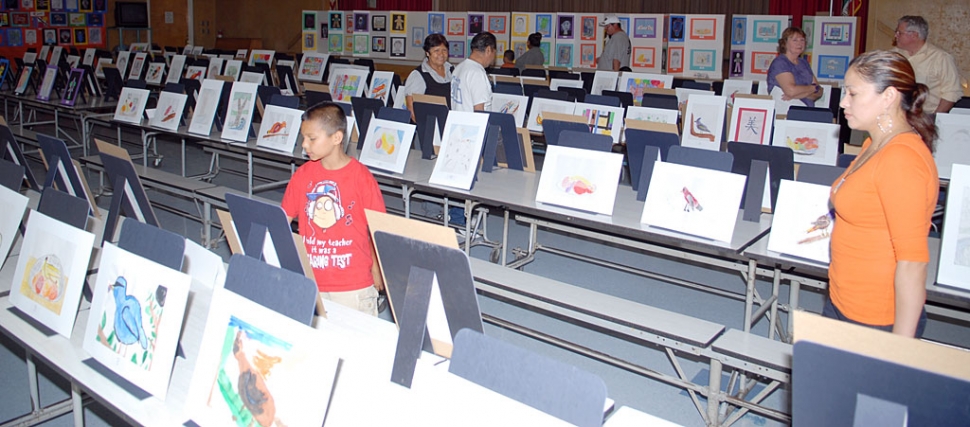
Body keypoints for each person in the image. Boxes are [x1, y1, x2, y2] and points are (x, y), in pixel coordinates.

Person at [828, 50, 938, 338]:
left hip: (875, 315)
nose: (843, 103)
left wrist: (898, 351)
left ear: (888, 97)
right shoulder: (874, 144)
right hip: (845, 300)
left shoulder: (901, 159)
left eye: (853, 94)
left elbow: (913, 263)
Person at [282, 102, 387, 316]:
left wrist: (377, 268)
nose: (304, 144)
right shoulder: (302, 175)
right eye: (304, 138)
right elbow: (282, 219)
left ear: (336, 138)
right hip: (311, 279)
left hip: (353, 285)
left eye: (312, 139)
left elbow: (378, 230)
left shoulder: (362, 178)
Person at [892, 16, 963, 114]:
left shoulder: (940, 58)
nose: (896, 35)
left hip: (924, 119)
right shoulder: (893, 55)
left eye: (899, 32)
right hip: (896, 118)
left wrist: (934, 119)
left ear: (914, 35)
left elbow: (951, 92)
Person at [766, 27, 822, 107]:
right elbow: (791, 91)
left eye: (802, 40)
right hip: (787, 112)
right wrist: (812, 89)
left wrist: (798, 94)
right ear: (784, 43)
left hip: (807, 109)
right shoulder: (780, 63)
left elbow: (820, 91)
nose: (799, 44)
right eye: (795, 40)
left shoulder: (804, 63)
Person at [401, 34, 453, 118]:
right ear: (427, 53)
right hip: (430, 126)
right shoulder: (418, 75)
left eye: (444, 50)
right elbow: (411, 109)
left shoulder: (452, 70)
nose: (441, 54)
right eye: (436, 51)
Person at [451, 31, 496, 112]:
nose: (493, 58)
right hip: (473, 124)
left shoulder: (459, 67)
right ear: (488, 50)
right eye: (494, 53)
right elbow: (479, 110)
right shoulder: (477, 73)